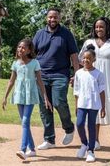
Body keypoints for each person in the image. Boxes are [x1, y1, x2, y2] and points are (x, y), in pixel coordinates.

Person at [32, 8, 80, 150]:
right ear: (46, 18)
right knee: (44, 107)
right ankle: (49, 140)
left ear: (59, 18)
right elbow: (32, 54)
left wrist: (77, 75)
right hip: (41, 76)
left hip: (60, 75)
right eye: (50, 17)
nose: (52, 20)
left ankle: (69, 128)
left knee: (59, 102)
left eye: (55, 17)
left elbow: (74, 56)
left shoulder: (66, 34)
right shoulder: (39, 34)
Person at [79, 17, 110, 149]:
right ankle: (95, 140)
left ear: (107, 28)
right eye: (96, 27)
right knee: (95, 105)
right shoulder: (88, 43)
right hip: (92, 78)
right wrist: (78, 77)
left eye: (101, 27)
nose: (98, 29)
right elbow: (82, 61)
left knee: (108, 104)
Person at [2, 38, 52, 161]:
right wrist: (5, 97)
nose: (20, 49)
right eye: (19, 47)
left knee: (25, 122)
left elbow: (40, 81)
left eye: (23, 47)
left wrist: (45, 97)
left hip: (30, 95)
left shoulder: (35, 63)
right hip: (19, 95)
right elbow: (11, 81)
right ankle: (32, 149)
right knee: (25, 123)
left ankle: (23, 150)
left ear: (29, 50)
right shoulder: (15, 63)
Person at [74, 49, 106, 162]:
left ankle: (91, 151)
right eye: (84, 58)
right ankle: (84, 144)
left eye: (88, 58)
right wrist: (76, 105)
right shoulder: (78, 73)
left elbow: (102, 91)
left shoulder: (98, 74)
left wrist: (103, 107)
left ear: (94, 59)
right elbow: (76, 91)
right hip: (82, 104)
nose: (85, 60)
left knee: (91, 126)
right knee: (79, 124)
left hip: (94, 104)